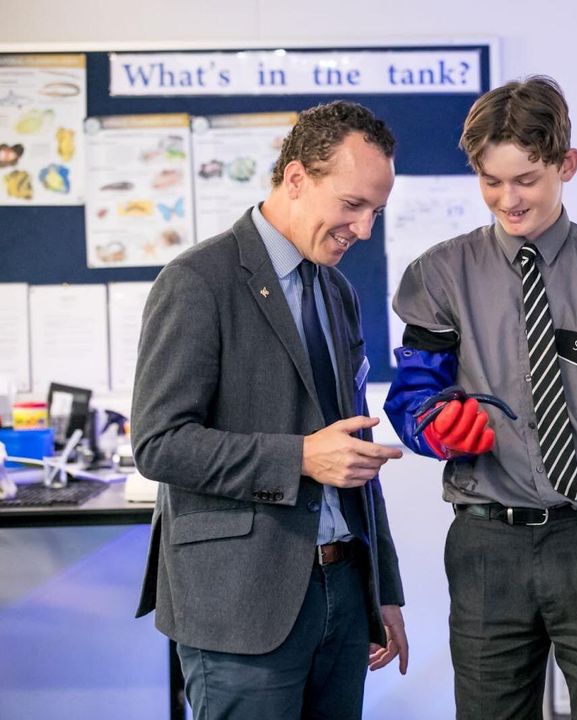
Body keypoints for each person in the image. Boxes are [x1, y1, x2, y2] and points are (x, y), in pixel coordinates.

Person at [385, 76, 577, 719]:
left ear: (566, 164)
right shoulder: (441, 274)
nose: (507, 198)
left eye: (525, 178)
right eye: (491, 181)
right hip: (486, 545)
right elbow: (415, 398)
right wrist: (437, 425)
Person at [133, 100, 408, 719]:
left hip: (342, 591)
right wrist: (301, 456)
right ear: (296, 179)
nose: (364, 230)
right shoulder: (197, 280)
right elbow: (158, 443)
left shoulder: (337, 292)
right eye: (352, 205)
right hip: (239, 607)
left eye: (376, 211)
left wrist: (382, 590)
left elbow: (353, 453)